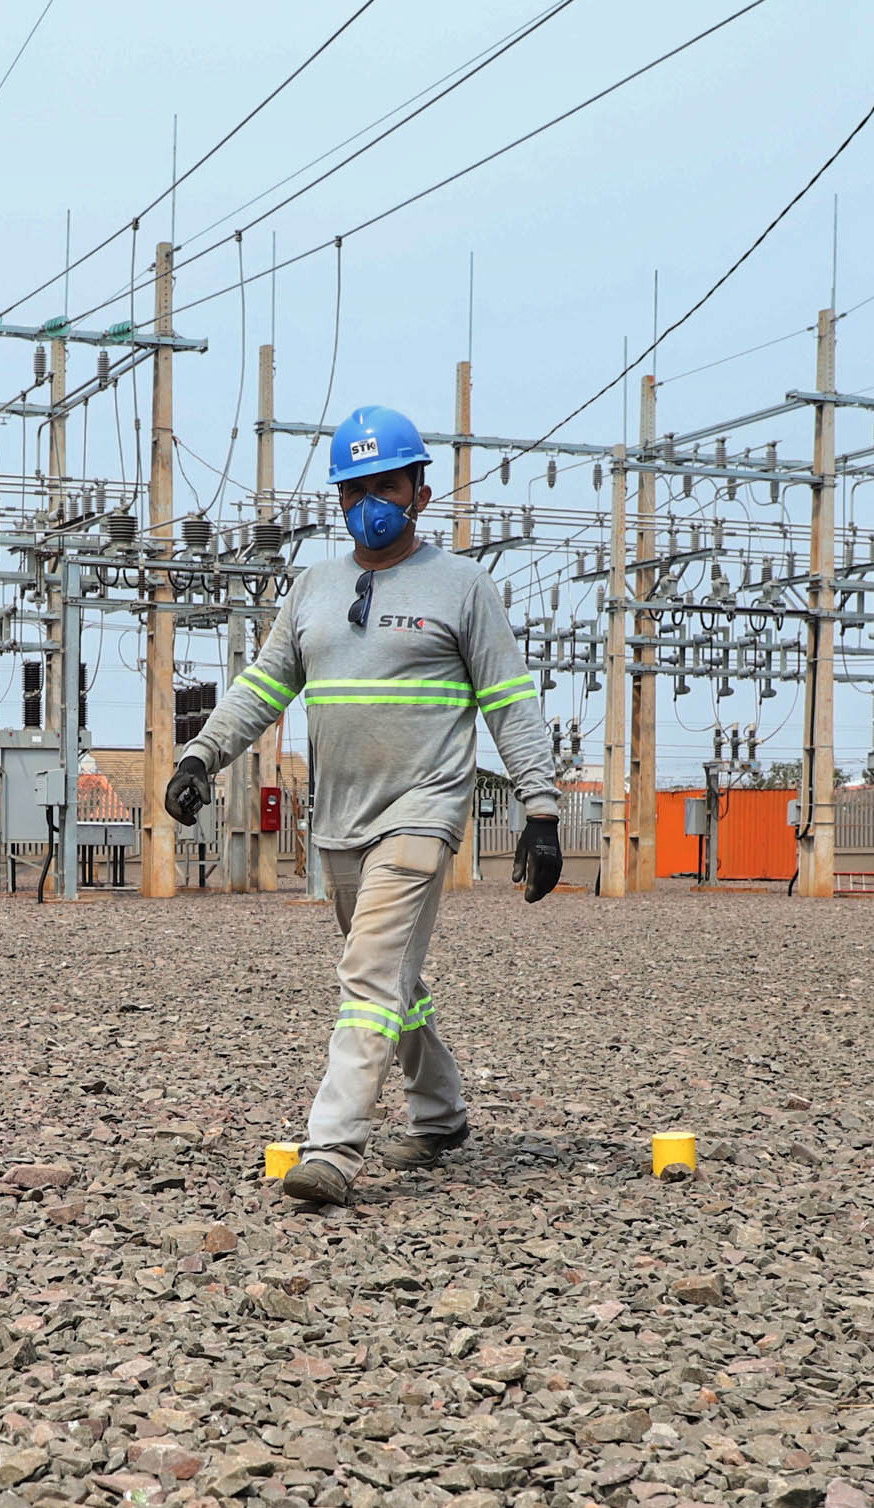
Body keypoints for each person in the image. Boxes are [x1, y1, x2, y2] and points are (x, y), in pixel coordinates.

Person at [164, 405, 563, 1206]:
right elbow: (263, 685)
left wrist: (542, 809)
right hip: (339, 821)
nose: (368, 503)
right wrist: (201, 754)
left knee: (368, 975)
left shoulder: (463, 587)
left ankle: (333, 1150)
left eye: (385, 485)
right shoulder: (313, 589)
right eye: (353, 490)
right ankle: (441, 1114)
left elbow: (511, 703)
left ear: (420, 490)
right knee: (393, 981)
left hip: (423, 808)